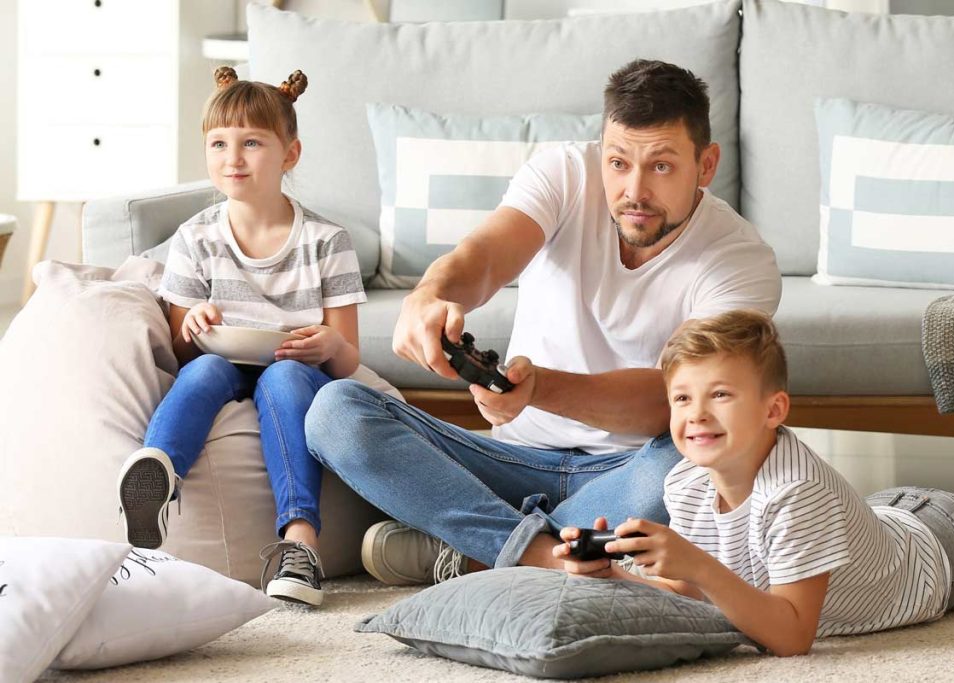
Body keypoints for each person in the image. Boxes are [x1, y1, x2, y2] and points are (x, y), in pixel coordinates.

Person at [305, 59, 781, 586]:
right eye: (619, 162)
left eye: (662, 167)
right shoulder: (566, 172)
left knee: (703, 456)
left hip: (633, 472)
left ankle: (478, 548)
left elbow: (670, 404)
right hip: (510, 456)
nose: (635, 191)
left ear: (706, 165)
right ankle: (546, 553)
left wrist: (537, 390)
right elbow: (486, 257)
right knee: (334, 411)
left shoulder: (739, 261)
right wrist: (431, 294)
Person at [555, 309, 954, 656]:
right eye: (681, 398)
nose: (696, 413)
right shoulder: (686, 481)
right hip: (893, 516)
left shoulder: (796, 492)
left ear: (773, 410)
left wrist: (696, 565)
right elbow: (694, 593)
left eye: (719, 394)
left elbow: (792, 636)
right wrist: (614, 574)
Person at [116, 66, 366, 607]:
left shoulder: (327, 240)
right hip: (222, 359)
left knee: (284, 380)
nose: (233, 158)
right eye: (219, 143)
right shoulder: (195, 237)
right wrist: (196, 321)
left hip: (295, 366)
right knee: (203, 370)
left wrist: (327, 344)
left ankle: (299, 543)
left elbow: (349, 357)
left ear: (289, 154)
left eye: (252, 143)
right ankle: (155, 478)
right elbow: (182, 350)